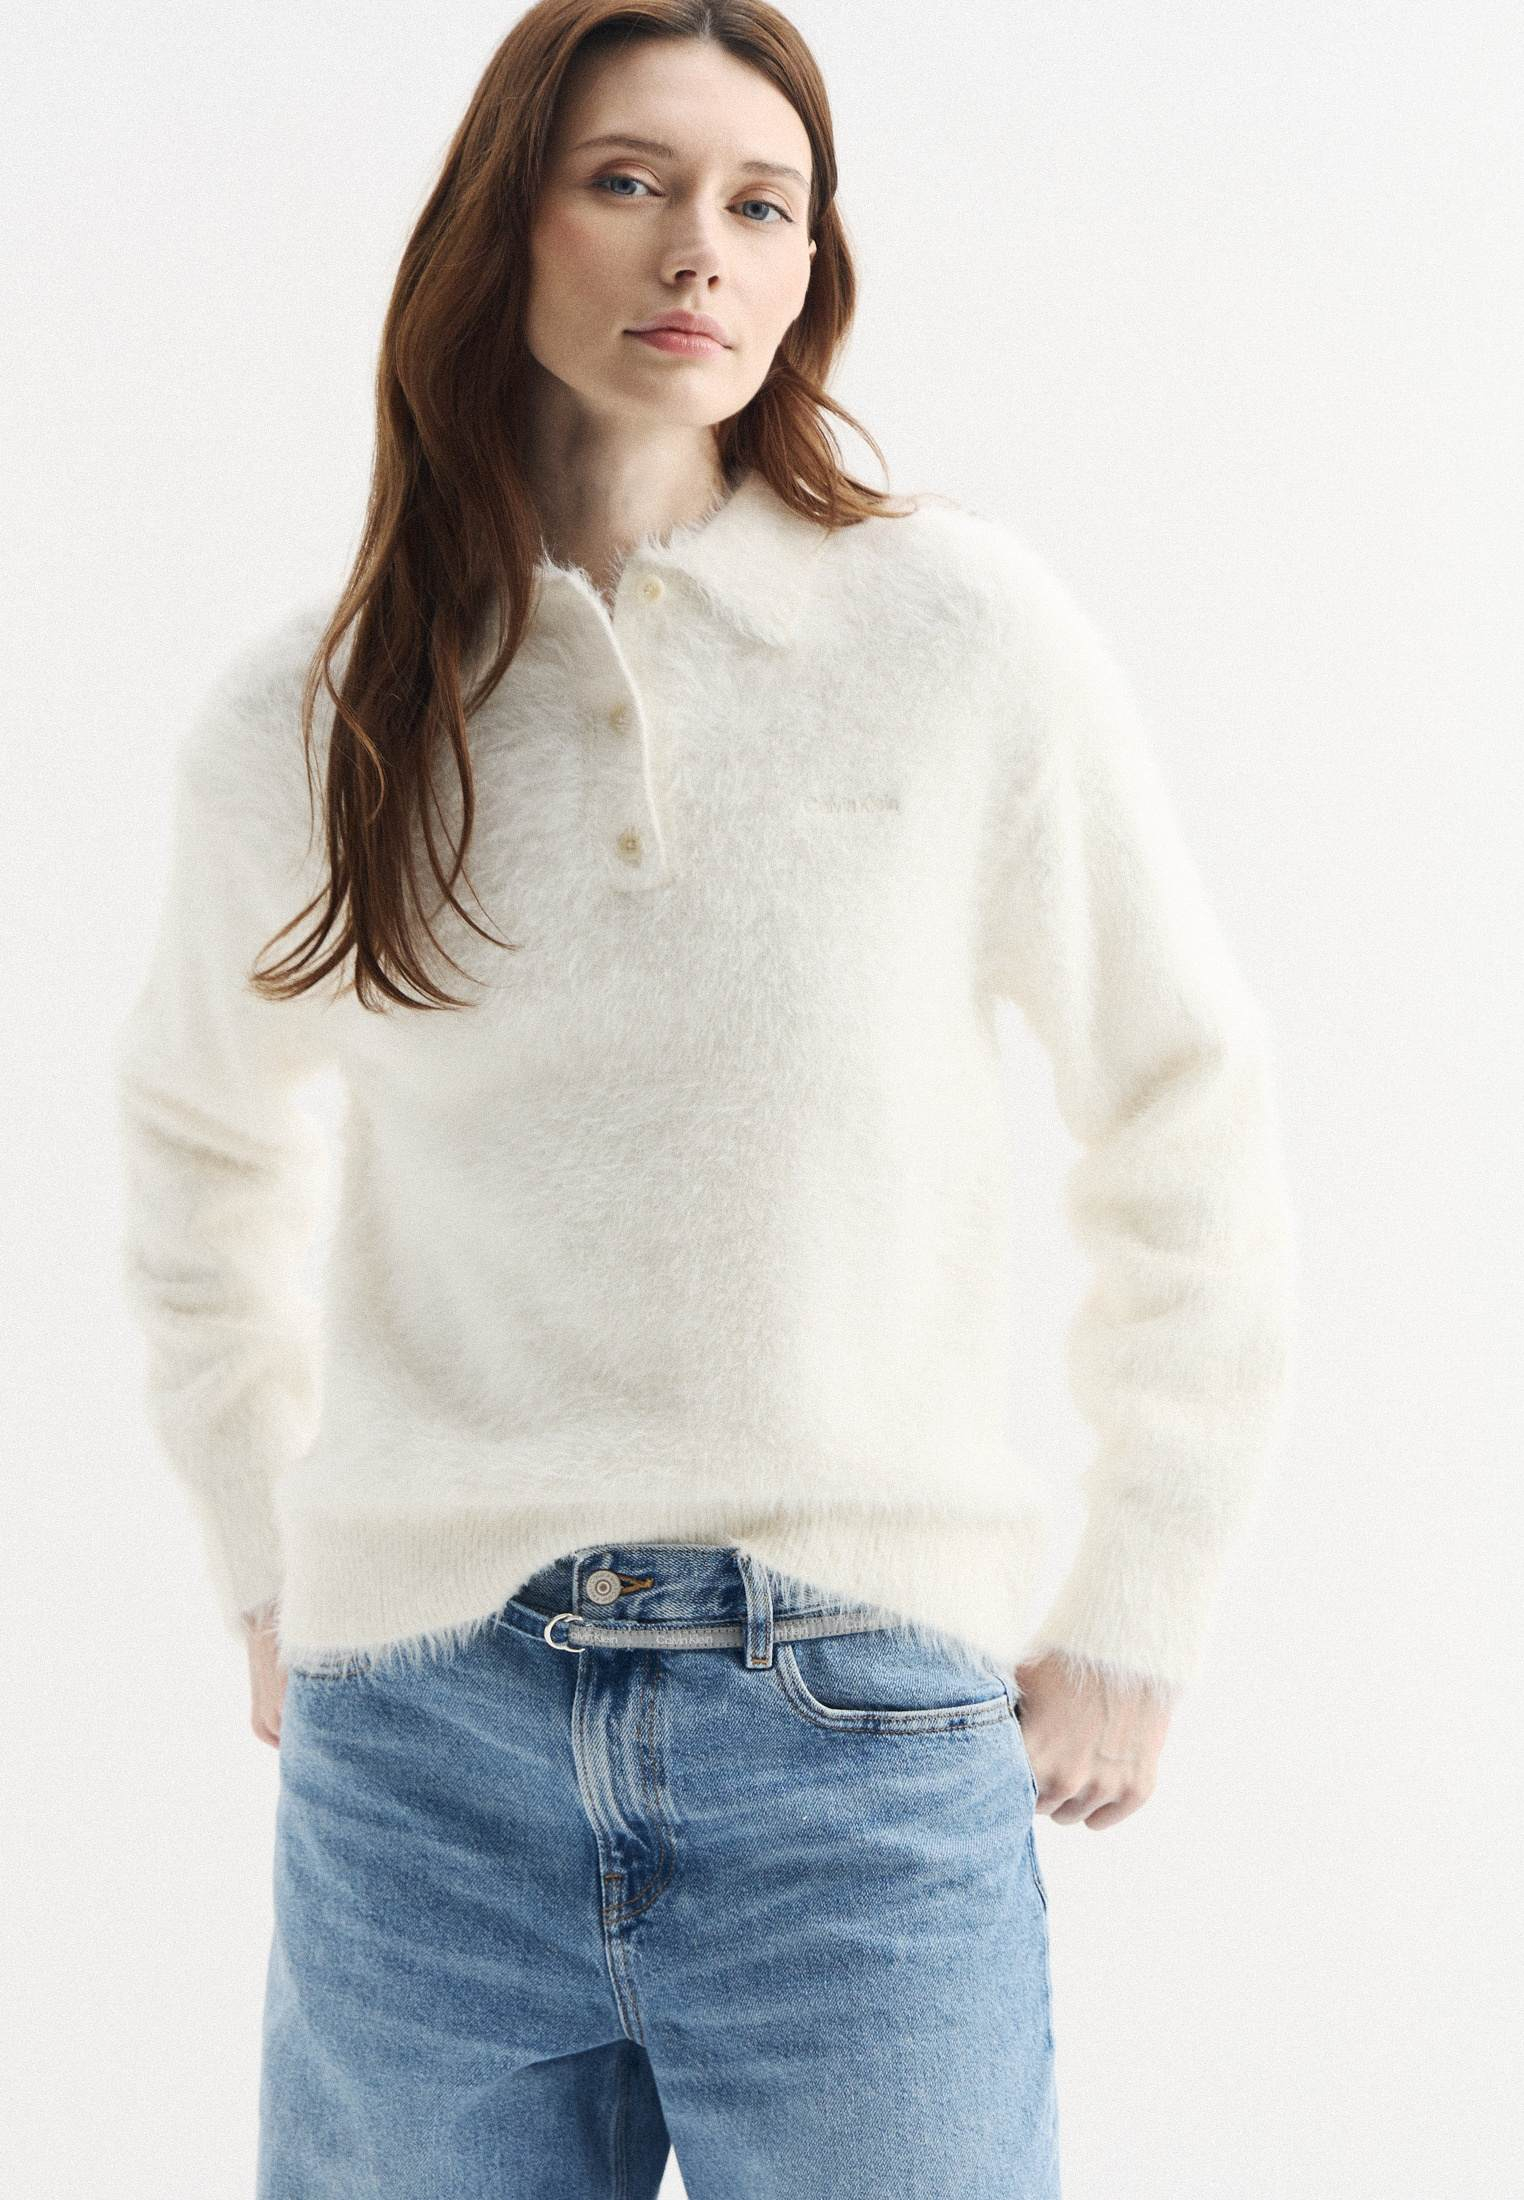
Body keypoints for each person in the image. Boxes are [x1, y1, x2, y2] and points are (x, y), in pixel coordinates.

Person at [111, 4, 1296, 2194]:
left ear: (813, 267)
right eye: (631, 182)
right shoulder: (316, 715)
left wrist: (1145, 1592)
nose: (702, 253)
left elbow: (1182, 1107)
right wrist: (265, 1554)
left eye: (765, 206)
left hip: (855, 1743)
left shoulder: (956, 638)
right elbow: (200, 1148)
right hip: (421, 1758)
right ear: (503, 224)